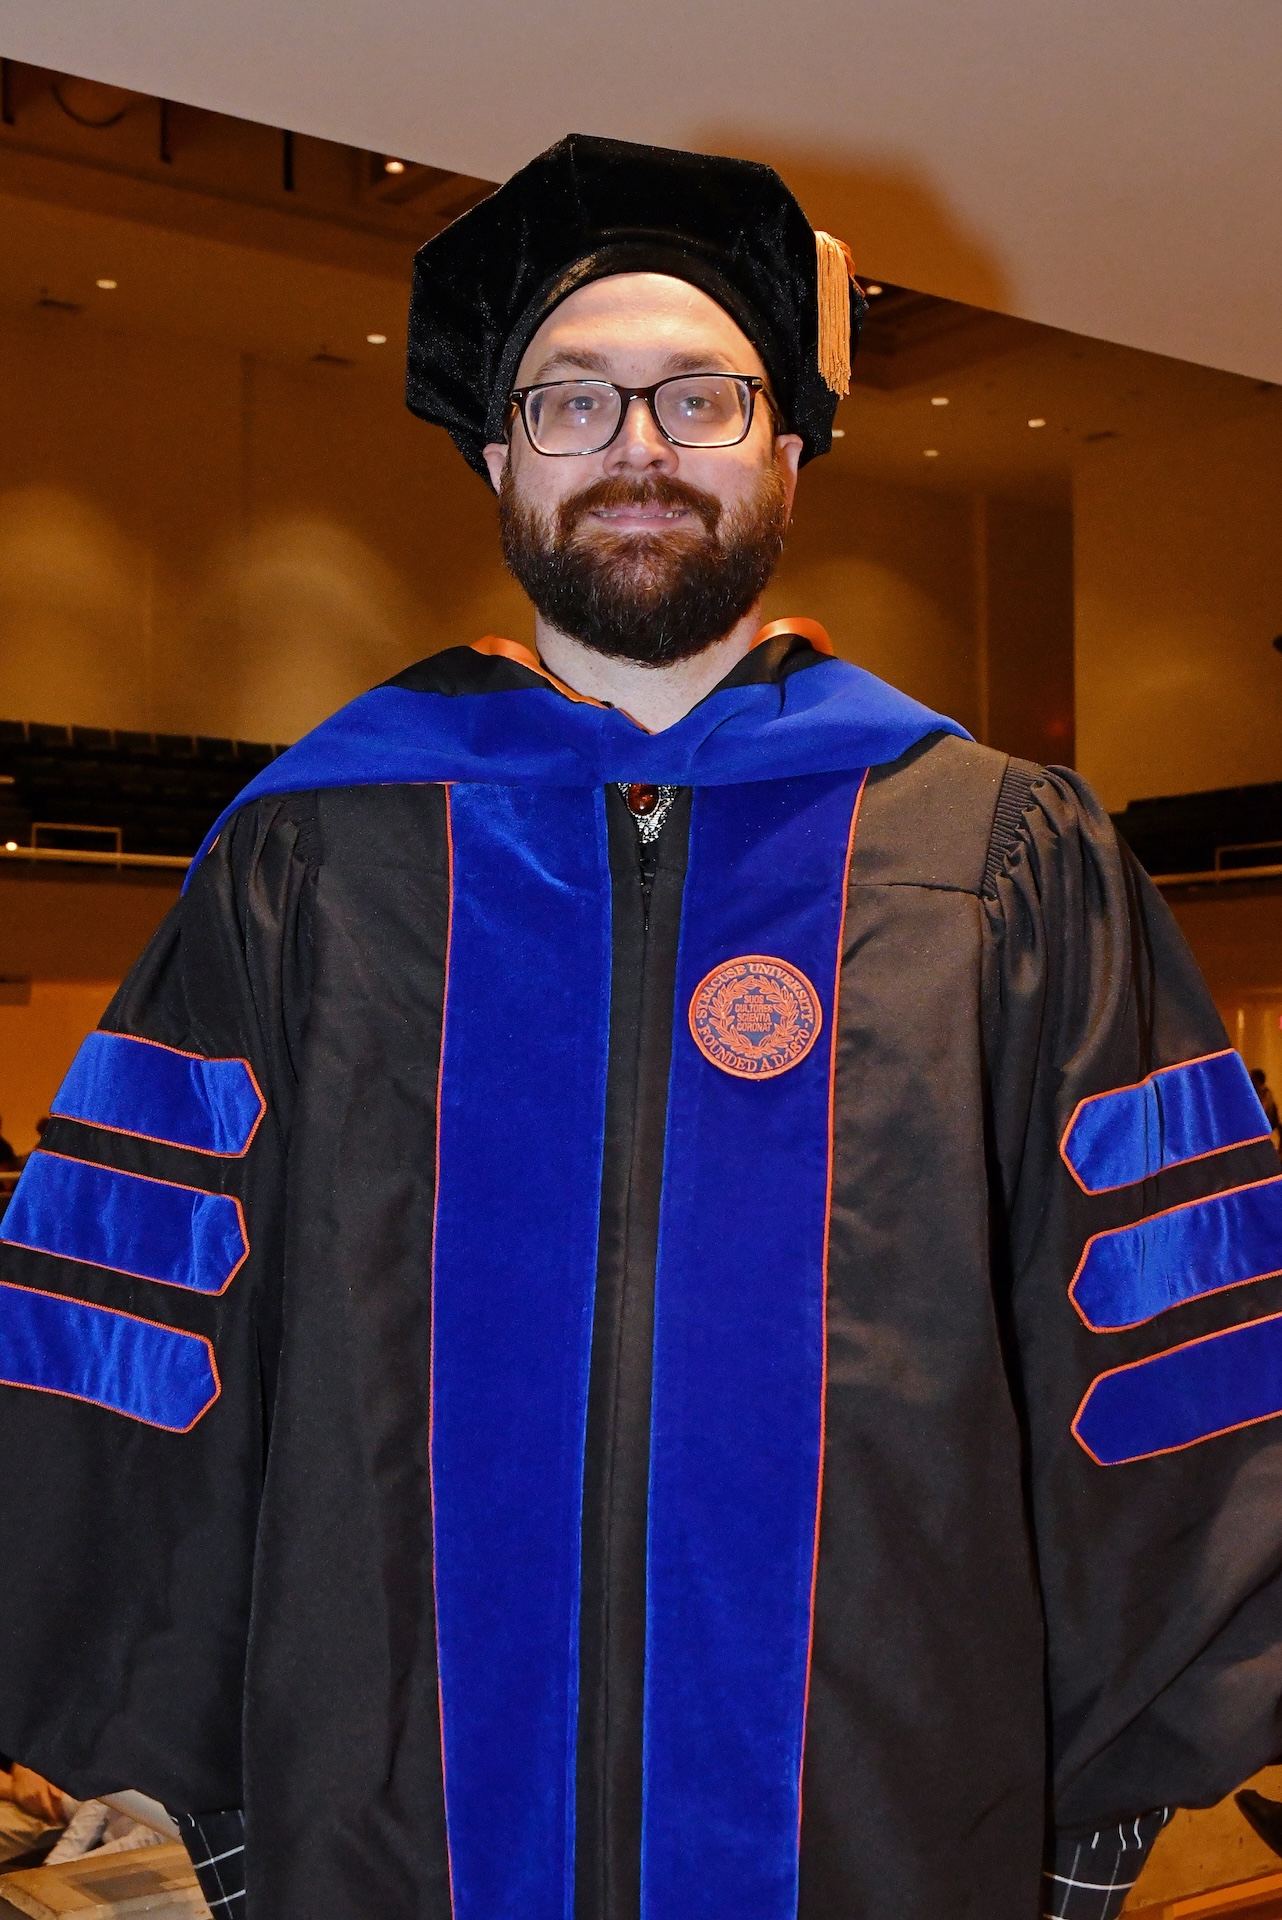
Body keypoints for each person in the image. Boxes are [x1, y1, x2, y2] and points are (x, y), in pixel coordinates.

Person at [1, 133, 1281, 1920]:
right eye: (573, 402)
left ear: (788, 441)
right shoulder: (318, 852)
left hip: (891, 1796)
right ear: (496, 451)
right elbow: (137, 1318)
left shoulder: (989, 853)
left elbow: (1163, 1331)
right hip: (391, 1801)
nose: (637, 453)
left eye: (699, 398)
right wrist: (186, 1763)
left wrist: (1115, 1776)